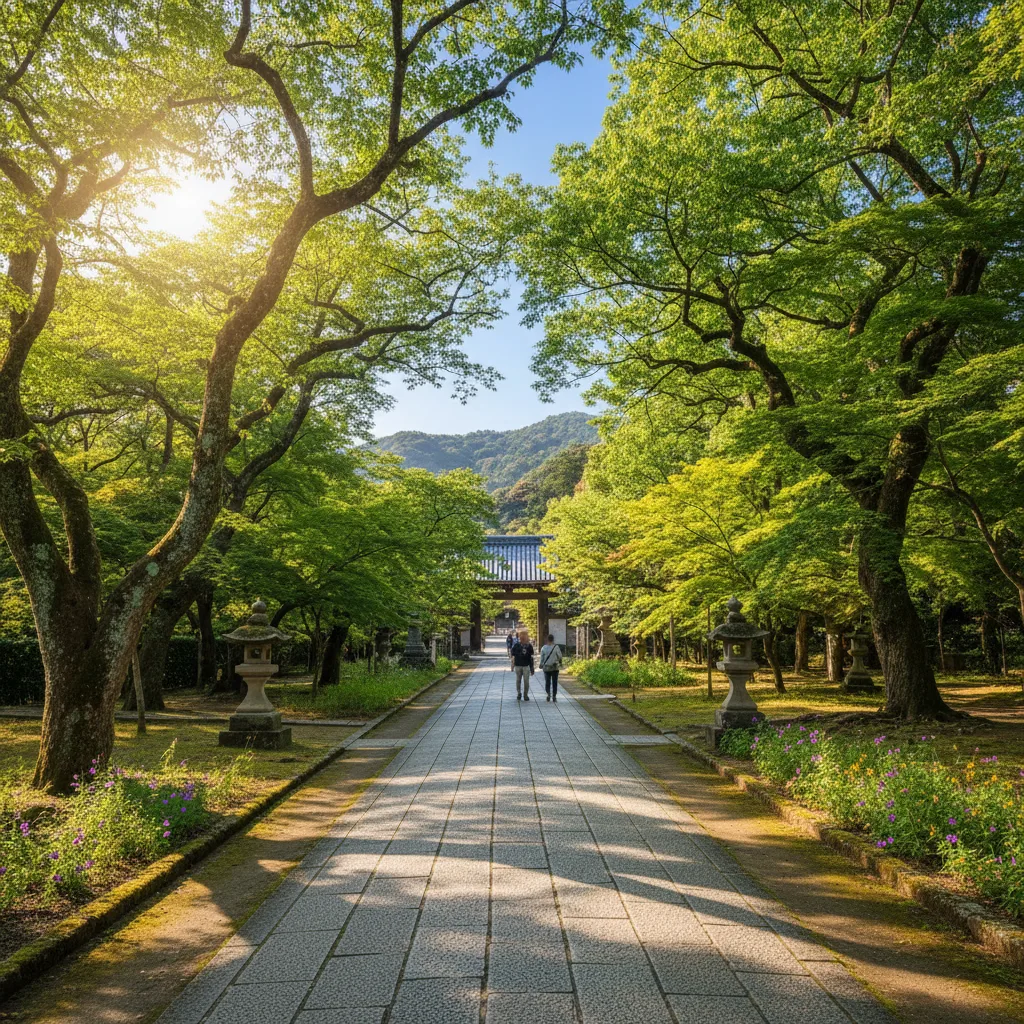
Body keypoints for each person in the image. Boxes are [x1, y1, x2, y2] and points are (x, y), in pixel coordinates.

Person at [510, 629, 534, 701]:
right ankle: (519, 693)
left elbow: (531, 657)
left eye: (525, 635)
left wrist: (532, 668)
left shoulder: (529, 646)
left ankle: (525, 694)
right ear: (519, 636)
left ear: (527, 636)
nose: (523, 637)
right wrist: (512, 665)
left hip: (526, 666)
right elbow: (513, 656)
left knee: (526, 681)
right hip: (518, 665)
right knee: (518, 680)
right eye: (521, 635)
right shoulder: (516, 645)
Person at [539, 634, 563, 702]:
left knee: (547, 681)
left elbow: (542, 658)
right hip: (554, 667)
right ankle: (554, 696)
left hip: (546, 668)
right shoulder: (556, 647)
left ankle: (548, 694)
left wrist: (541, 664)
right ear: (553, 640)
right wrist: (558, 661)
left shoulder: (543, 647)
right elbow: (560, 656)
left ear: (547, 639)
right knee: (554, 682)